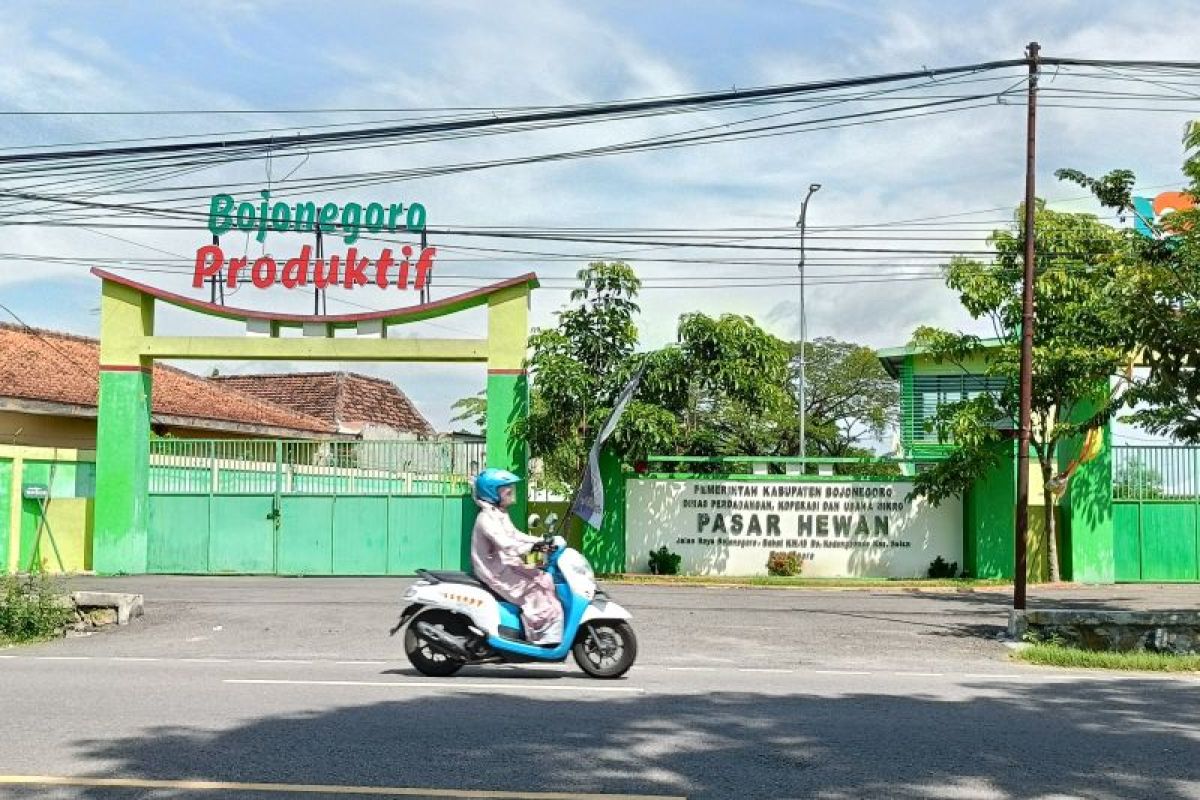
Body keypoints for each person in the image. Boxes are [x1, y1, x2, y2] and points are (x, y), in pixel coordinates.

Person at [470, 468, 564, 645]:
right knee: (533, 589)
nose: (511, 491)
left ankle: (548, 628)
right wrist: (535, 547)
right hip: (493, 572)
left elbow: (516, 535)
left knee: (544, 578)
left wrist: (542, 541)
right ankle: (537, 634)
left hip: (505, 565)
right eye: (506, 488)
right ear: (493, 491)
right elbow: (507, 544)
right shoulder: (486, 518)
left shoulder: (498, 514)